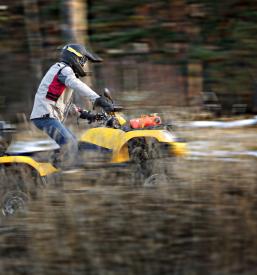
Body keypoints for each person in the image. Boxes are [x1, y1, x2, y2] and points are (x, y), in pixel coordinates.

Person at [30, 43, 113, 166]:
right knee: (70, 143)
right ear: (74, 57)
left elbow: (66, 105)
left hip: (46, 116)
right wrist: (97, 99)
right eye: (82, 60)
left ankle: (57, 165)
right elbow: (77, 84)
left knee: (74, 143)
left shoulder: (61, 72)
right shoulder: (64, 69)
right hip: (45, 117)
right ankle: (70, 173)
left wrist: (87, 115)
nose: (83, 64)